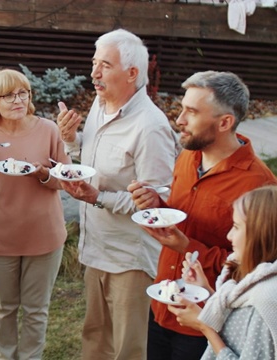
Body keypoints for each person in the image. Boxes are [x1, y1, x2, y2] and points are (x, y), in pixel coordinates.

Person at [128, 70, 277, 360]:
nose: (179, 120)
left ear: (224, 122)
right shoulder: (189, 154)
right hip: (162, 303)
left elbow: (256, 270)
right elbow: (184, 218)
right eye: (182, 108)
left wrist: (187, 248)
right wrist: (157, 205)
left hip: (208, 323)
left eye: (192, 112)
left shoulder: (260, 186)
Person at [56, 29, 179, 360]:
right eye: (94, 62)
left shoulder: (150, 127)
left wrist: (98, 197)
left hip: (130, 259)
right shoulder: (101, 102)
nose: (94, 72)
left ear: (132, 73)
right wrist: (71, 140)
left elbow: (157, 205)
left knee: (128, 349)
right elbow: (94, 163)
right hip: (96, 247)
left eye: (105, 65)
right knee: (95, 339)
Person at [0, 68, 69, 359]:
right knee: (4, 307)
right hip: (1, 235)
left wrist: (44, 174)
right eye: (9, 95)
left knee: (36, 310)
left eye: (23, 93)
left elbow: (66, 179)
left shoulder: (48, 130)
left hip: (45, 234)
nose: (18, 99)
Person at [168, 185, 277, 360]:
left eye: (236, 226)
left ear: (260, 234)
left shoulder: (267, 300)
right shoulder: (259, 279)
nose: (229, 236)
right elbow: (239, 325)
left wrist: (204, 327)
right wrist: (206, 290)